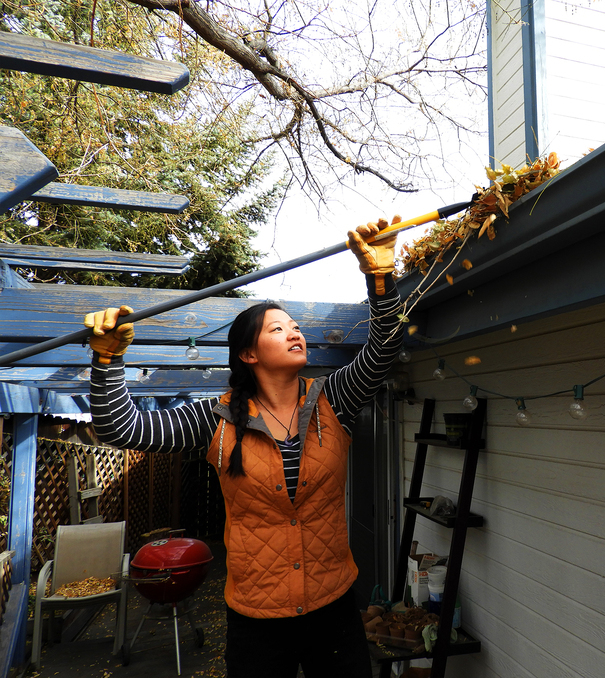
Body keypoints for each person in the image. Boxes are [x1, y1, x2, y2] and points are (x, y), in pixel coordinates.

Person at [85, 217, 405, 678]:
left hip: (334, 610)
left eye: (295, 326)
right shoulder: (214, 418)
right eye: (278, 329)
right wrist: (108, 359)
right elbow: (121, 427)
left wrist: (380, 276)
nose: (295, 332)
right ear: (248, 355)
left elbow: (384, 350)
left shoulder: (332, 399)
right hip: (258, 620)